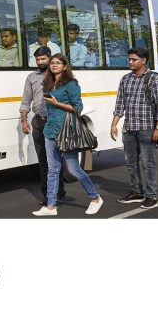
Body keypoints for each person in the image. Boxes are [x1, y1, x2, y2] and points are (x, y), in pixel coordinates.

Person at [32, 53, 104, 216]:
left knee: (74, 169)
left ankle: (95, 198)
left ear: (65, 66)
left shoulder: (71, 84)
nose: (54, 65)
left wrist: (57, 103)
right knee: (53, 169)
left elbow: (78, 108)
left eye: (58, 63)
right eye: (52, 63)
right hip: (50, 129)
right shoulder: (48, 83)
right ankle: (51, 206)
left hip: (67, 131)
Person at [110, 47, 158, 209]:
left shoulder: (153, 78)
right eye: (129, 59)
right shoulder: (125, 79)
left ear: (144, 61)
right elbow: (120, 103)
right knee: (131, 163)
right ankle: (136, 192)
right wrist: (114, 124)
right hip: (129, 128)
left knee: (148, 163)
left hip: (147, 128)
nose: (130, 62)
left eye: (134, 59)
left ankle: (151, 195)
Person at [20, 46, 64, 206]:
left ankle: (58, 193)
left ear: (49, 58)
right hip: (38, 122)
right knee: (43, 161)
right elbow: (26, 101)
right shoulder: (32, 77)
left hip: (55, 120)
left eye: (43, 59)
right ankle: (47, 195)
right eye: (37, 59)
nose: (40, 62)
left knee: (55, 160)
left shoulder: (58, 75)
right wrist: (24, 120)